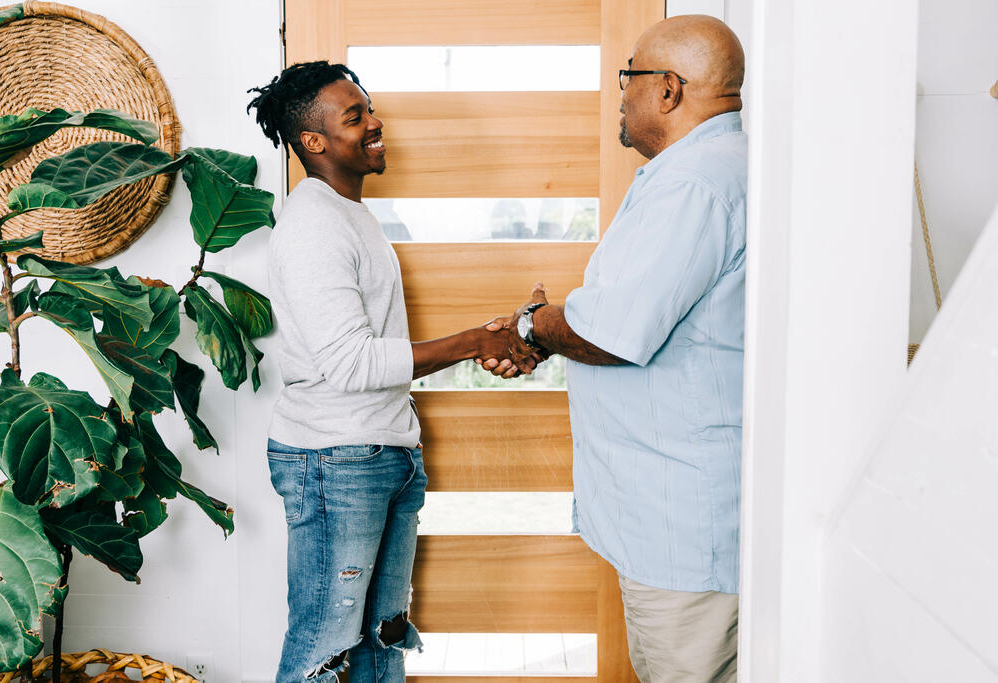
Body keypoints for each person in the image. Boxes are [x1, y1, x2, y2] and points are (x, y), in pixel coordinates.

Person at [483, 15, 747, 682]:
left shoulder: (695, 183)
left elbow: (612, 331)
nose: (618, 94)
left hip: (683, 538)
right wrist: (549, 323)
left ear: (668, 89)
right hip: (679, 518)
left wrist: (532, 326)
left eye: (626, 76)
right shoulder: (705, 171)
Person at [247, 62, 531, 683]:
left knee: (383, 641)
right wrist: (471, 343)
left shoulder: (352, 216)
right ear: (313, 141)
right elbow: (350, 363)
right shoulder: (315, 224)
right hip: (335, 459)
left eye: (369, 109)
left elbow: (372, 347)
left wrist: (484, 340)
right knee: (323, 649)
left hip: (380, 452)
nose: (376, 124)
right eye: (356, 117)